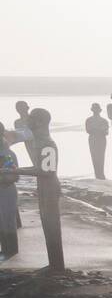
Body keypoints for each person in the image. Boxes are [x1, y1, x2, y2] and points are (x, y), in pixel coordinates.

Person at [16, 107, 64, 269]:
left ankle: (57, 264)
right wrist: (16, 170)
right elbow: (41, 168)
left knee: (51, 224)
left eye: (31, 118)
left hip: (49, 188)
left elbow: (46, 171)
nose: (27, 120)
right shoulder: (41, 142)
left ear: (40, 122)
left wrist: (18, 170)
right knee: (46, 223)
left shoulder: (47, 143)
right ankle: (53, 263)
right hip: (44, 186)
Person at [0, 124, 19, 258]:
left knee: (8, 221)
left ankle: (10, 250)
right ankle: (6, 249)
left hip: (6, 190)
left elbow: (14, 176)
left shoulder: (6, 154)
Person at [85, 103, 109, 179]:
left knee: (101, 157)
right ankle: (98, 174)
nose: (96, 111)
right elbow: (88, 130)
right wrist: (99, 129)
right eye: (95, 109)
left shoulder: (104, 121)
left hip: (100, 139)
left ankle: (101, 174)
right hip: (94, 139)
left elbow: (106, 132)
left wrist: (96, 129)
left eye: (96, 109)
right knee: (95, 157)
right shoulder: (89, 120)